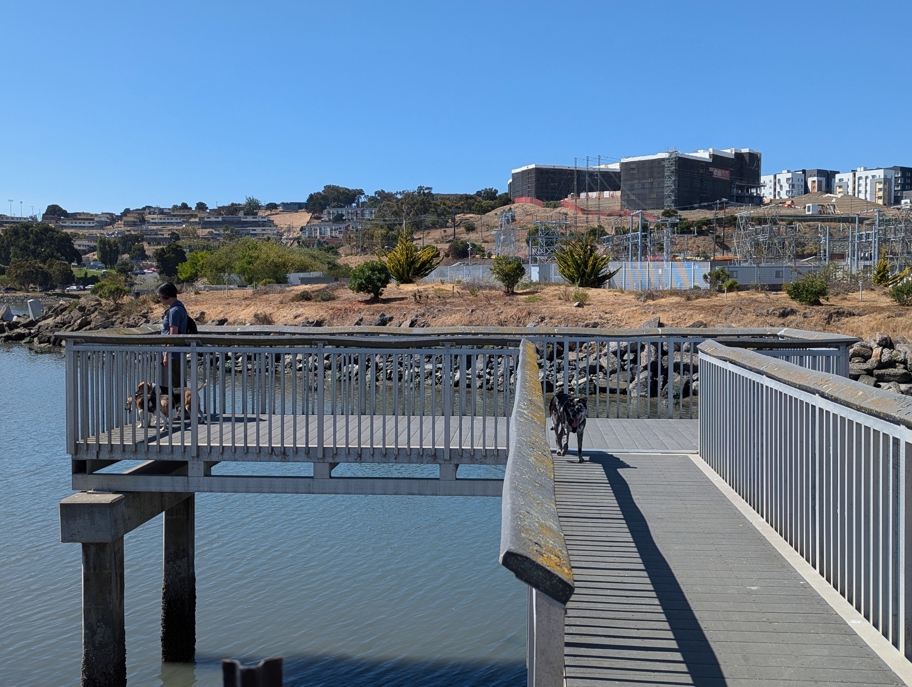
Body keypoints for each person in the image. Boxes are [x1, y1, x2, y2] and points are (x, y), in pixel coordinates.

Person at [158, 282, 188, 390]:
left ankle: (182, 406)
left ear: (166, 295)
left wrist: (167, 354)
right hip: (177, 352)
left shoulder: (174, 311)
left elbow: (173, 333)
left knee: (177, 387)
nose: (159, 298)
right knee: (178, 384)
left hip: (174, 354)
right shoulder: (179, 307)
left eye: (160, 296)